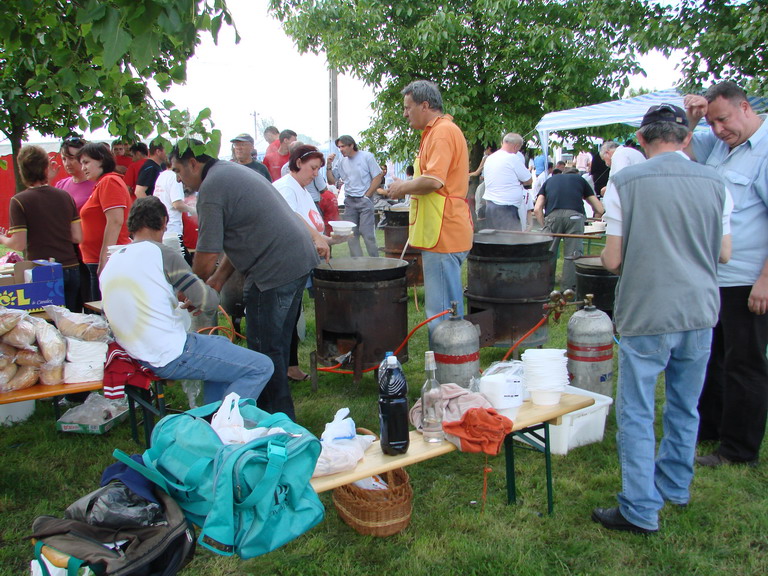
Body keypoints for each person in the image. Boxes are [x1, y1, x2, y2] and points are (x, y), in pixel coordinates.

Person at [592, 103, 732, 535]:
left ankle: (639, 508)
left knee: (636, 411)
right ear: (686, 138)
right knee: (684, 406)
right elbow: (725, 253)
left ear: (640, 138)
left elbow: (612, 259)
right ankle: (675, 486)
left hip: (648, 311)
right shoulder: (716, 181)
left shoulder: (624, 181)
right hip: (699, 310)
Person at [170, 140, 326, 421]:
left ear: (193, 163)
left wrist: (190, 288)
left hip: (275, 269)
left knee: (263, 355)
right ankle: (278, 418)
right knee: (275, 347)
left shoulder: (212, 188)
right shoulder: (229, 172)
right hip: (297, 260)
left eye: (178, 171)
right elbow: (241, 235)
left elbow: (206, 255)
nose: (179, 179)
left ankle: (275, 422)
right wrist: (218, 279)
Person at [100, 196, 273, 404]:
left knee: (219, 344)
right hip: (166, 353)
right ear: (164, 222)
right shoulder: (161, 253)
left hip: (133, 351)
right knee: (261, 366)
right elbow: (208, 302)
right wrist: (206, 291)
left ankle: (211, 415)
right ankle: (226, 419)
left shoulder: (112, 261)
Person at [684, 81, 768, 468]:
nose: (718, 130)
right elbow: (679, 148)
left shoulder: (763, 150)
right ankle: (710, 429)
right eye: (712, 123)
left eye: (723, 120)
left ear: (745, 107)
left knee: (744, 364)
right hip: (713, 275)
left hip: (748, 279)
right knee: (711, 358)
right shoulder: (719, 144)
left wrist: (764, 281)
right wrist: (692, 117)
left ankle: (739, 450)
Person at [385, 80, 473, 341]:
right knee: (445, 306)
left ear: (425, 105)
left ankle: (448, 358)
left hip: (443, 231)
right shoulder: (435, 132)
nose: (405, 113)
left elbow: (434, 181)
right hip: (442, 229)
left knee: (442, 311)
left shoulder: (442, 132)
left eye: (408, 107)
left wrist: (402, 187)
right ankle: (453, 356)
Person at [274, 145, 350, 383]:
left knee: (293, 314)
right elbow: (293, 218)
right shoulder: (286, 187)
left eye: (318, 169)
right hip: (283, 263)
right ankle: (280, 371)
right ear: (298, 163)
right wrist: (318, 238)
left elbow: (310, 229)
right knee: (284, 318)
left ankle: (291, 367)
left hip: (300, 262)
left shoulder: (303, 189)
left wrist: (331, 239)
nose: (316, 174)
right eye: (313, 168)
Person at [0, 145, 82, 311]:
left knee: (45, 323)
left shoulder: (19, 201)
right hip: (70, 267)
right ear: (46, 168)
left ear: (22, 170)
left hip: (41, 271)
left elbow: (18, 244)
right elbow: (77, 237)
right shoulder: (65, 196)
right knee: (73, 322)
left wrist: (2, 238)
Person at [534, 167, 604, 291]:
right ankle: (568, 290)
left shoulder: (550, 180)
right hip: (575, 217)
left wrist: (544, 225)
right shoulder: (580, 180)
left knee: (547, 253)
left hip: (552, 217)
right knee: (573, 255)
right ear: (576, 174)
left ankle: (544, 288)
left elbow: (537, 208)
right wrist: (595, 218)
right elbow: (600, 208)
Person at [78, 142, 131, 301]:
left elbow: (115, 221)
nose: (83, 168)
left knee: (104, 311)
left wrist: (104, 259)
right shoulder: (102, 183)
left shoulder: (109, 182)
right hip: (96, 260)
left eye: (86, 162)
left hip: (107, 261)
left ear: (101, 160)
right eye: (81, 163)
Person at [327, 135, 383, 258]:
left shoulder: (367, 157)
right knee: (351, 235)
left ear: (351, 145)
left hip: (364, 200)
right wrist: (329, 165)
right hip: (349, 201)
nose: (340, 149)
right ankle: (357, 262)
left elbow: (378, 176)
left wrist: (367, 195)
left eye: (343, 146)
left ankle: (375, 261)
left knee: (367, 234)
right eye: (339, 147)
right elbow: (332, 180)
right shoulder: (341, 161)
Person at [482, 133, 533, 231]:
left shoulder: (490, 158)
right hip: (506, 208)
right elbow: (528, 180)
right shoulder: (512, 158)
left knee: (495, 237)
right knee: (510, 239)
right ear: (516, 146)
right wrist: (519, 182)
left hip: (491, 206)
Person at [53, 136, 94, 211]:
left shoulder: (98, 184)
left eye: (71, 158)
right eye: (64, 159)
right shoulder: (60, 185)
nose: (67, 163)